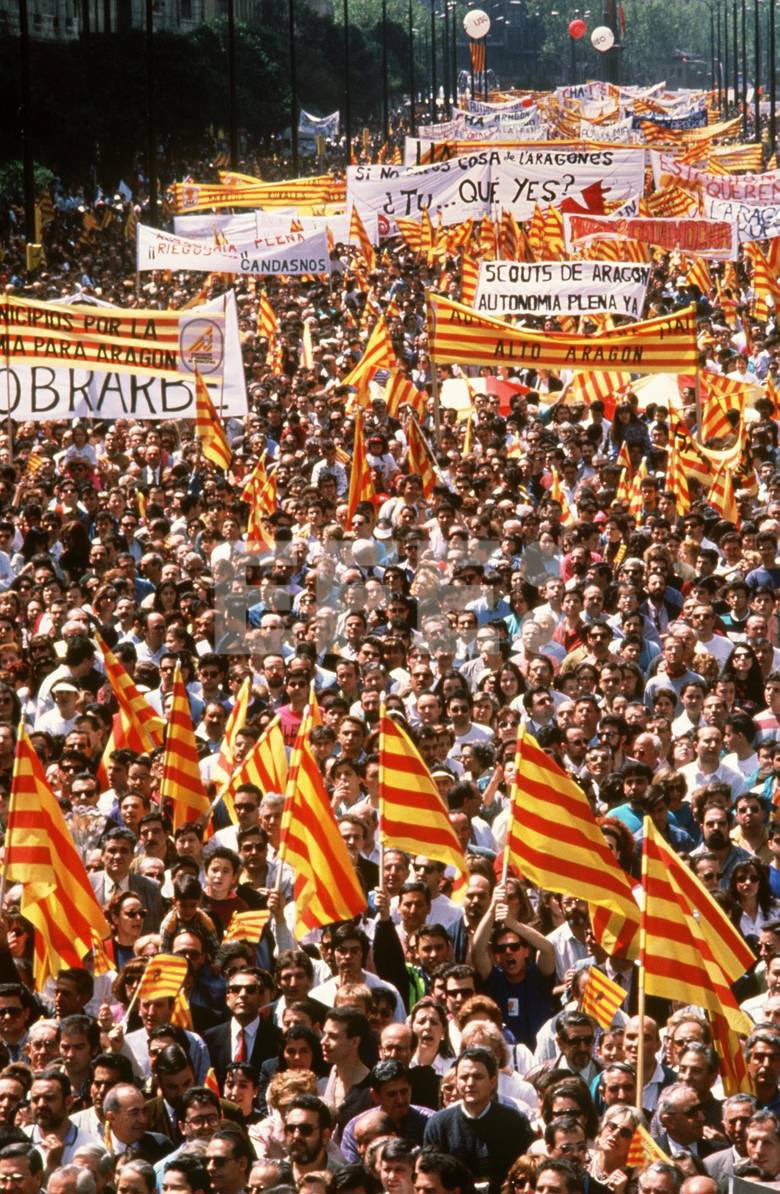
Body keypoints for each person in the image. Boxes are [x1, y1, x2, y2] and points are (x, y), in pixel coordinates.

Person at [423, 1047, 533, 1194]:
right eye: (464, 1077)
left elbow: (525, 1173)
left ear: (492, 1081)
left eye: (478, 1077)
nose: (470, 1083)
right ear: (456, 1081)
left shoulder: (515, 1122)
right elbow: (430, 1176)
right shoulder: (438, 1124)